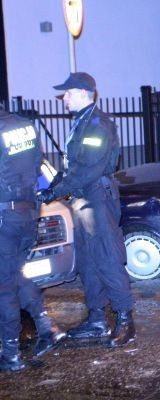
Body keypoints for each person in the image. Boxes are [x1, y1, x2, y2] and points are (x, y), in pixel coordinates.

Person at [38, 72, 135, 348]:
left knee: (107, 258)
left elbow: (90, 169)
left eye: (67, 94)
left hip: (97, 201)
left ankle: (126, 320)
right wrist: (53, 183)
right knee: (88, 263)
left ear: (82, 92)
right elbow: (75, 168)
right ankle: (96, 319)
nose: (64, 98)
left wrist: (54, 191)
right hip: (82, 201)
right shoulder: (82, 122)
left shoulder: (98, 124)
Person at [0, 109, 65, 372]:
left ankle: (11, 354)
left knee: (4, 285)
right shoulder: (23, 125)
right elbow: (39, 164)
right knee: (16, 274)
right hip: (29, 212)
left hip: (5, 214)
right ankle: (46, 327)